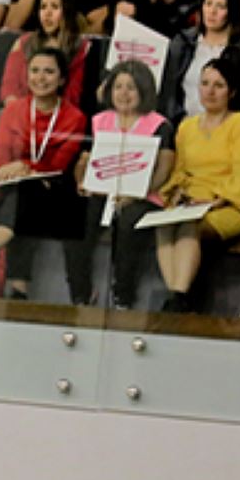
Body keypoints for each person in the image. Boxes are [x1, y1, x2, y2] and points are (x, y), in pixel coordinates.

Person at [0, 46, 87, 301]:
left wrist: (25, 166)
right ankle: (15, 286)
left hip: (55, 191)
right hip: (12, 187)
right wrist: (15, 169)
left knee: (27, 195)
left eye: (49, 72)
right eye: (35, 70)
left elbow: (58, 165)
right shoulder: (13, 111)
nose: (40, 78)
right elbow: (1, 162)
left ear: (62, 79)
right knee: (23, 194)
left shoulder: (75, 117)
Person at [153, 58, 240, 311]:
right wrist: (177, 193)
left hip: (228, 205)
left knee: (189, 225)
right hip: (191, 201)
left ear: (231, 92)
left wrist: (213, 201)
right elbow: (180, 172)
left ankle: (178, 297)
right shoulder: (187, 127)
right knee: (164, 224)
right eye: (205, 84)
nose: (210, 91)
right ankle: (176, 296)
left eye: (218, 85)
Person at [82, 59, 175, 310]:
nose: (123, 93)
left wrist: (137, 193)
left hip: (144, 196)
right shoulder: (99, 120)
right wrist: (84, 181)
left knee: (127, 220)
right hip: (103, 192)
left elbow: (164, 170)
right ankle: (81, 293)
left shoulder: (159, 125)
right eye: (118, 87)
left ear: (143, 90)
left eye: (131, 87)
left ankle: (123, 296)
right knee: (80, 217)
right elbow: (85, 159)